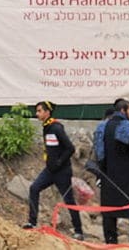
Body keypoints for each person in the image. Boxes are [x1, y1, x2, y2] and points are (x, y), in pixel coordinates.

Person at [22, 101, 84, 240]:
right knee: (34, 188)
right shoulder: (46, 127)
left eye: (39, 111)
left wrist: (59, 162)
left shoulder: (56, 128)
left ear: (47, 112)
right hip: (50, 171)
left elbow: (70, 148)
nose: (37, 114)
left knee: (68, 200)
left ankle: (79, 231)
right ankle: (32, 222)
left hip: (62, 171)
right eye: (36, 111)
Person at [100, 99, 129, 246]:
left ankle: (111, 242)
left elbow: (100, 152)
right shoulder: (127, 127)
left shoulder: (104, 126)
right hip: (127, 175)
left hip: (109, 174)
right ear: (123, 111)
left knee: (109, 210)